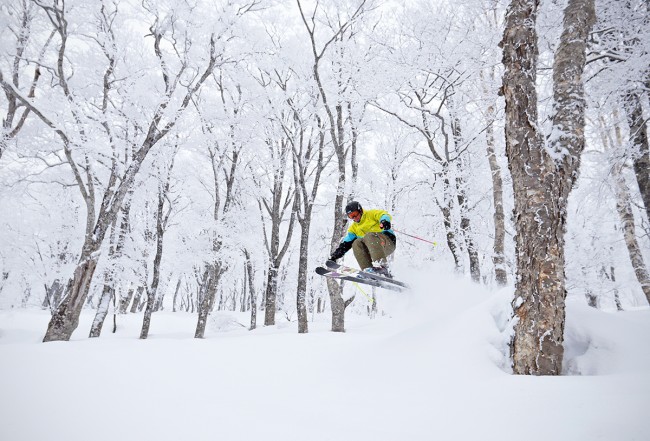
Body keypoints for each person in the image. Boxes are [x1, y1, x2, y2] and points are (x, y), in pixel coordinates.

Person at [329, 201, 396, 277]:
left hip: (387, 242)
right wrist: (335, 256)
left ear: (360, 210)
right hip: (373, 250)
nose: (354, 218)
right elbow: (345, 244)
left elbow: (383, 215)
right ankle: (368, 270)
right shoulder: (353, 228)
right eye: (351, 216)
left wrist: (384, 221)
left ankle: (381, 266)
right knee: (356, 243)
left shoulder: (370, 214)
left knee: (369, 235)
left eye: (355, 214)